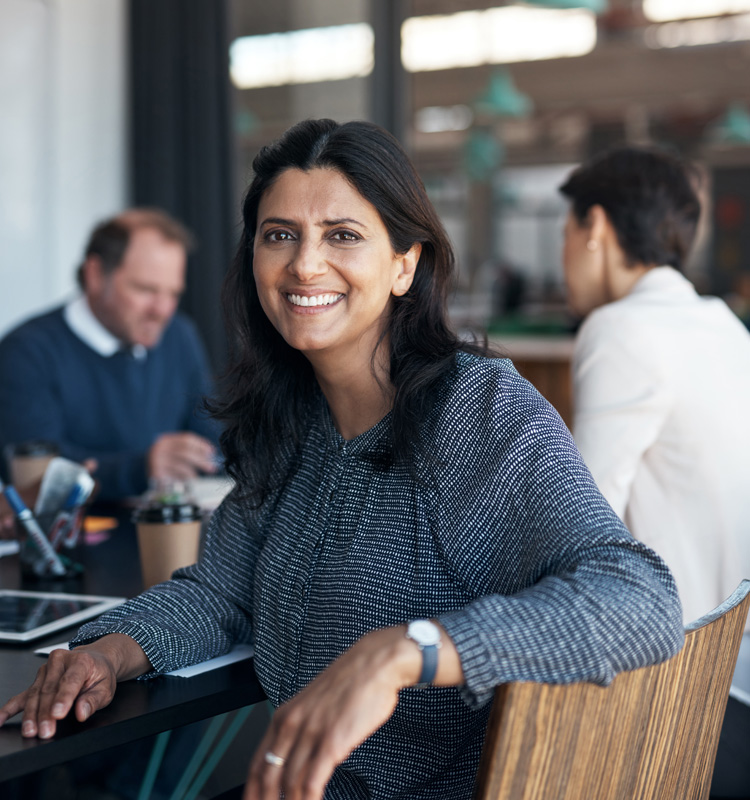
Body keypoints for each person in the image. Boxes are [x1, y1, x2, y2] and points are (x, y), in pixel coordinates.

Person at [0, 121, 684, 800]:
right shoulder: (292, 414)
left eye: (343, 235)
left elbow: (640, 599)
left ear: (404, 264)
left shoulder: (473, 411)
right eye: (280, 235)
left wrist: (403, 651)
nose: (304, 264)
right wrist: (107, 652)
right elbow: (221, 593)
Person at [559, 145, 750, 799]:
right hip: (737, 657)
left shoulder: (619, 330)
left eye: (568, 231)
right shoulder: (723, 324)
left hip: (680, 690)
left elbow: (578, 529)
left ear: (597, 230)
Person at [0, 208, 219, 504]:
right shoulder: (26, 352)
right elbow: (37, 476)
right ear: (95, 275)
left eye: (173, 293)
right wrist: (142, 468)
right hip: (74, 542)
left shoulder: (179, 335)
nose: (162, 310)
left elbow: (211, 436)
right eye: (146, 289)